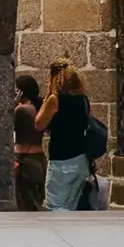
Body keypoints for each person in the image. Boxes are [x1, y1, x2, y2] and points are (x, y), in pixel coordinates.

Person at [38, 59, 94, 212]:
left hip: (61, 161)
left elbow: (39, 123)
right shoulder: (83, 100)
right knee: (74, 204)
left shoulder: (54, 100)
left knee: (57, 205)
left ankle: (60, 234)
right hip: (81, 158)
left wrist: (47, 96)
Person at [11, 69, 47, 211]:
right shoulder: (39, 109)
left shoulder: (21, 110)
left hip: (23, 159)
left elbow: (5, 126)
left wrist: (12, 105)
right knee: (36, 202)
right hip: (39, 158)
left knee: (24, 204)